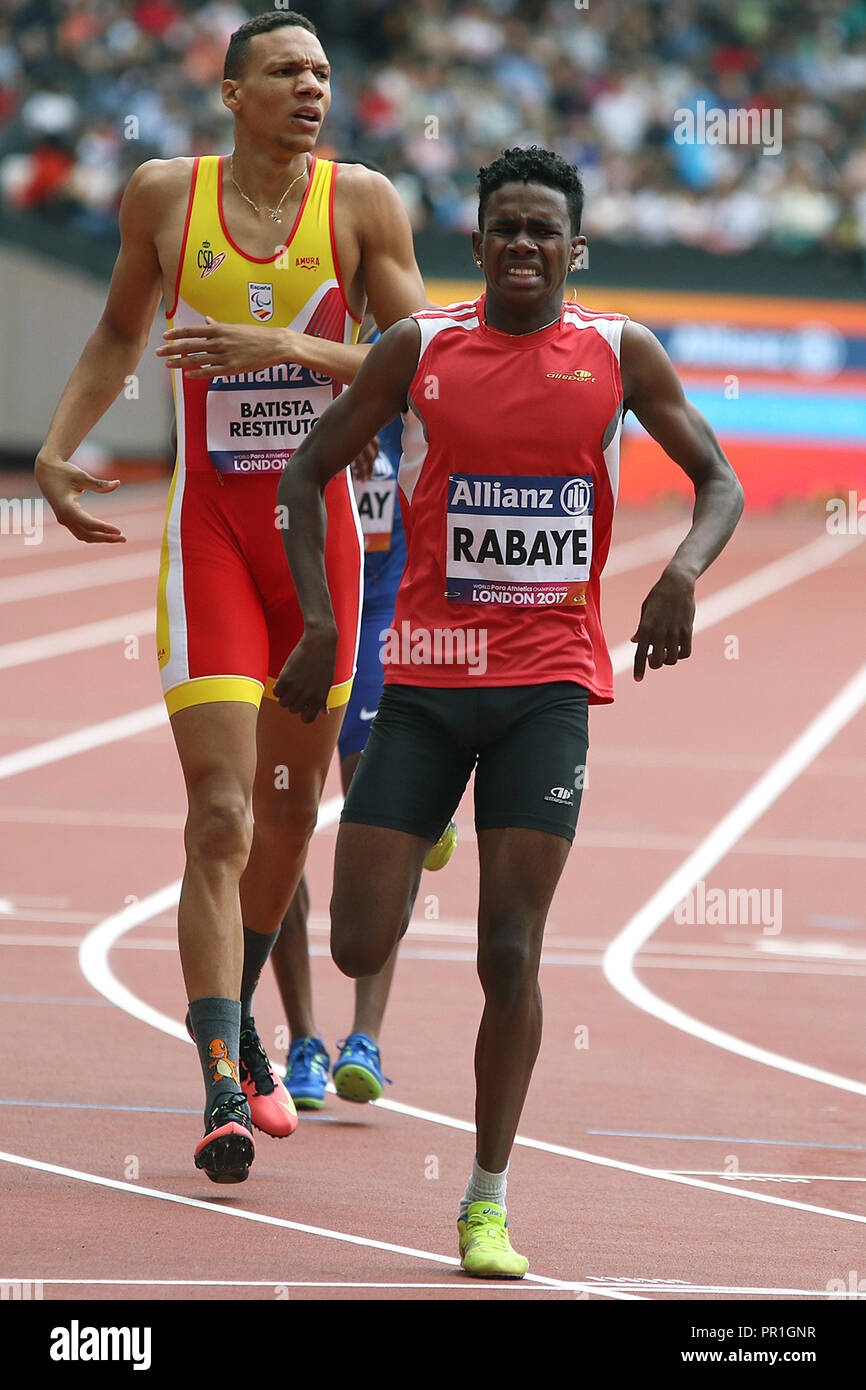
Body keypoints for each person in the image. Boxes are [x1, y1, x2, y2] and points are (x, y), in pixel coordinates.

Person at [272, 146, 744, 1274]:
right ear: (476, 244)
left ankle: (484, 1201)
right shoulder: (418, 348)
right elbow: (304, 475)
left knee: (509, 950)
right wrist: (323, 624)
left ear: (575, 250)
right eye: (504, 229)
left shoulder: (618, 353)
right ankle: (428, 819)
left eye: (544, 230)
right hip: (427, 682)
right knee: (356, 942)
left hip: (547, 690)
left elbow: (718, 481)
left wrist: (680, 572)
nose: (523, 245)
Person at [34, 10, 428, 1185]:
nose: (312, 90)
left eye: (321, 73)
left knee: (289, 817)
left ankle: (246, 1014)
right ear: (232, 92)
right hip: (207, 537)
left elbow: (422, 358)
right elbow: (116, 332)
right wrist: (58, 448)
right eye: (287, 74)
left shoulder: (361, 203)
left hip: (319, 557)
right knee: (219, 813)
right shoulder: (164, 196)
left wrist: (287, 355)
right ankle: (218, 1072)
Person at [270, 312, 456, 1110]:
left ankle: (366, 1038)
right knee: (277, 825)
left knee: (383, 823)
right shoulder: (293, 366)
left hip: (384, 604)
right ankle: (303, 1038)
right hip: (306, 603)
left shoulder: (416, 361)